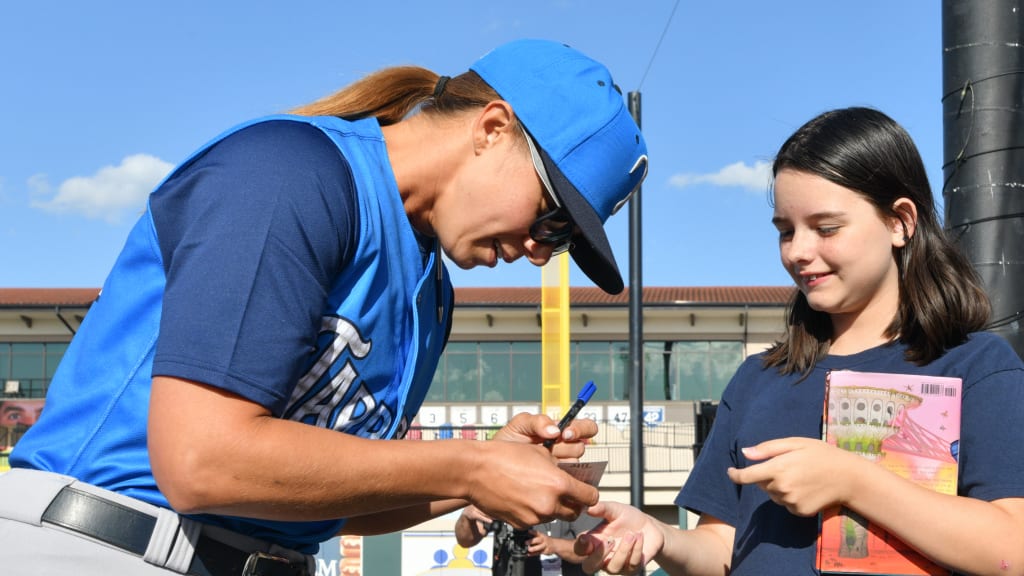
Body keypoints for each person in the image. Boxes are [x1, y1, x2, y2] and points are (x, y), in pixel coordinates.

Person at [0, 38, 648, 576]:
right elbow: (201, 461)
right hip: (99, 544)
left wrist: (483, 476)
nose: (541, 251)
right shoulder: (291, 171)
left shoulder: (431, 293)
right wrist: (471, 465)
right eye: (553, 217)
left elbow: (324, 502)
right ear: (492, 128)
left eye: (565, 241)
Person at [573, 107, 1024, 575]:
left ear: (900, 222)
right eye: (786, 231)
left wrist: (853, 481)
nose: (798, 251)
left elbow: (1012, 550)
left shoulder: (976, 367)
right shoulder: (758, 380)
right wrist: (659, 536)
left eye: (826, 228)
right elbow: (722, 547)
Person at [455, 505, 589, 575]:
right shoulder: (500, 497)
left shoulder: (571, 499)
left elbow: (588, 550)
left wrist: (553, 545)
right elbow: (465, 540)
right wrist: (466, 517)